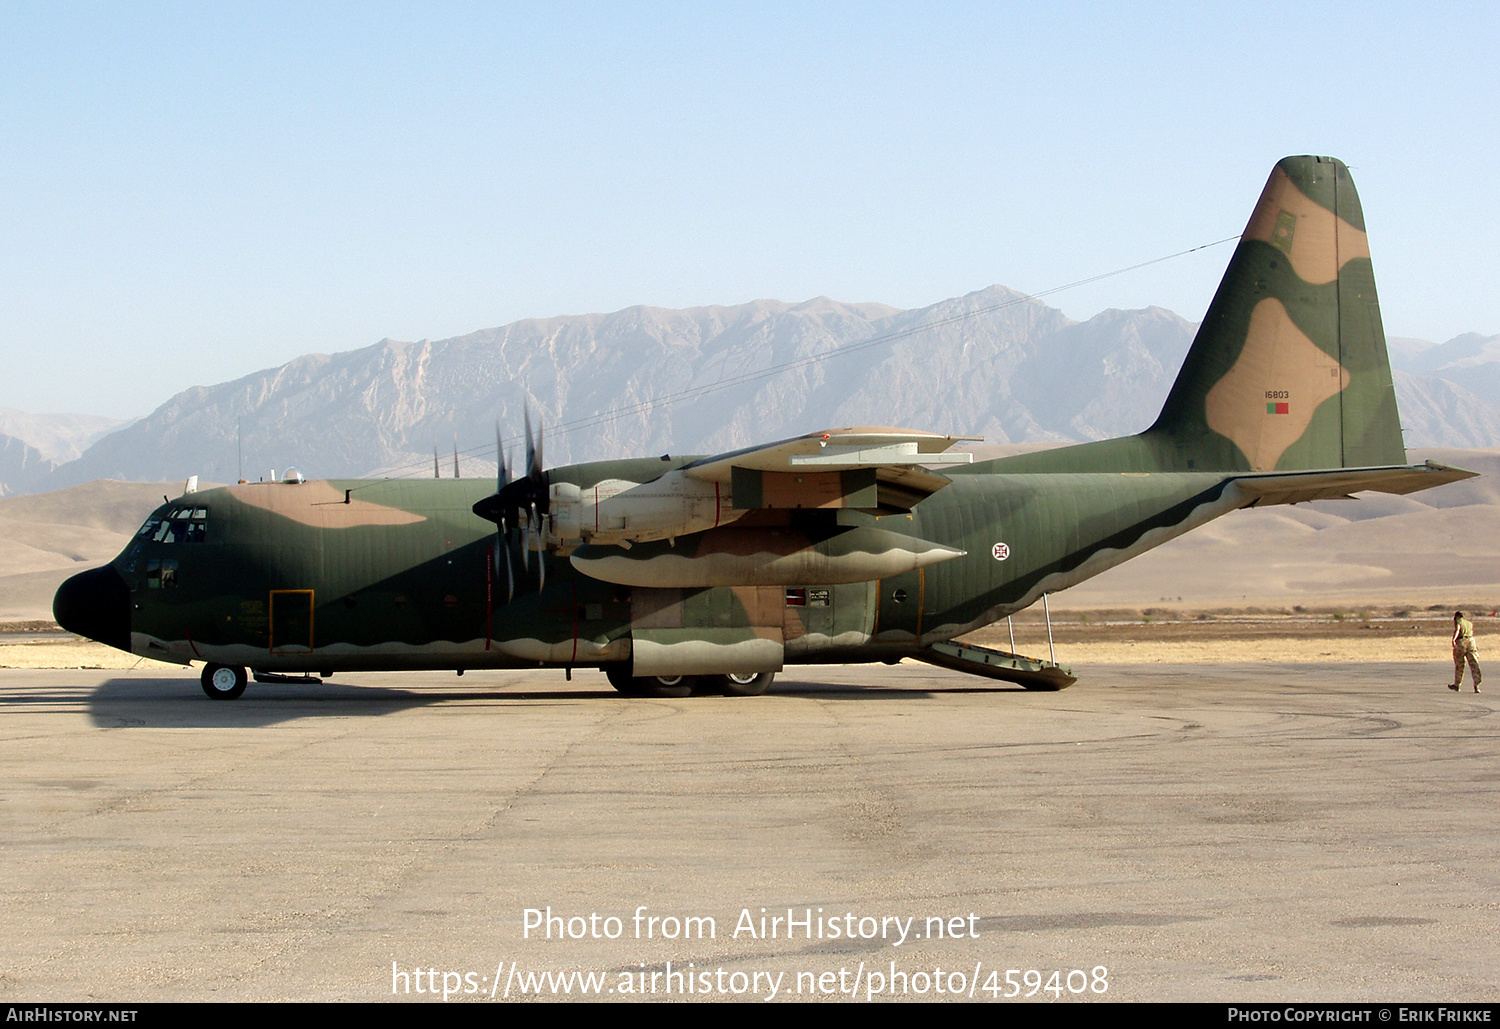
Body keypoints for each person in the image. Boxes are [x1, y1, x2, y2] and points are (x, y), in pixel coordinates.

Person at [1449, 611, 1481, 693]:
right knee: (1474, 663)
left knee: (1459, 664)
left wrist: (1454, 639)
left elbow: (1458, 629)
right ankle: (1477, 685)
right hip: (1471, 642)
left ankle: (1457, 684)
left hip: (1461, 642)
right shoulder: (1469, 623)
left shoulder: (1459, 621)